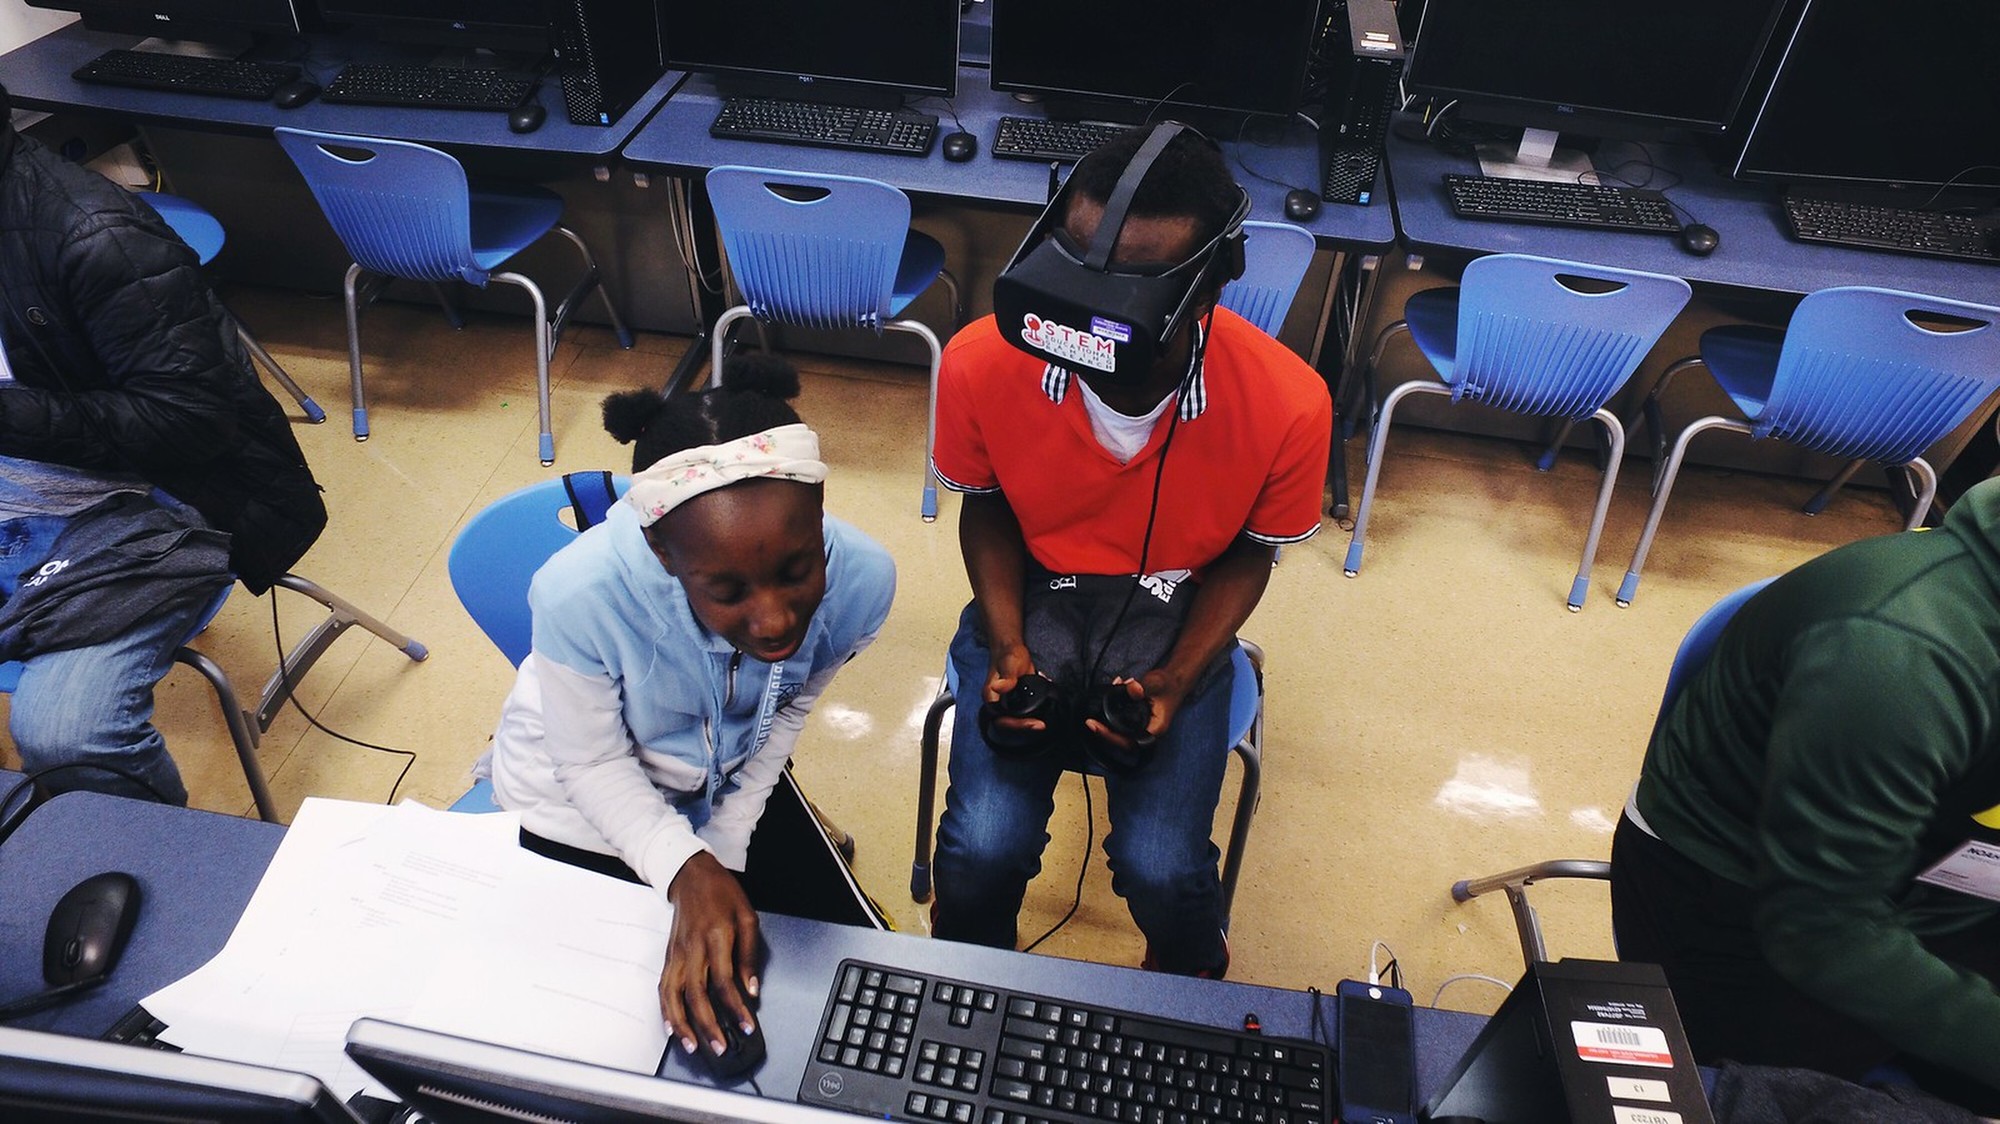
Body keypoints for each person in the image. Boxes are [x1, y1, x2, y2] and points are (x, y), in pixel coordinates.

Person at [926, 125, 1332, 977]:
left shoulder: (1291, 403)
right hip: (1030, 602)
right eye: (1076, 268)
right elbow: (987, 504)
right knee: (979, 853)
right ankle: (967, 1004)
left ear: (1215, 279)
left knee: (1165, 870)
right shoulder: (978, 361)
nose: (1090, 313)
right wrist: (1007, 647)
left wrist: (1179, 679)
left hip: (1174, 613)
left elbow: (1253, 551)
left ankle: (1185, 1013)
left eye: (1135, 285)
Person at [482, 355, 895, 1063]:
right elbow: (588, 759)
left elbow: (781, 716)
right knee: (622, 1038)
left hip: (721, 787)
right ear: (662, 552)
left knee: (853, 985)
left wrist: (724, 851)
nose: (772, 621)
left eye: (797, 571)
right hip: (574, 804)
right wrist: (684, 868)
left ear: (821, 514)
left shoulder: (862, 581)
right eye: (728, 590)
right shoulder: (577, 593)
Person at [1612, 477, 2000, 1113]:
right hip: (1742, 894)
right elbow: (1821, 932)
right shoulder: (1899, 652)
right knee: (1787, 1099)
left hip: (1938, 874)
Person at [0, 81, 327, 805]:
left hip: (145, 504)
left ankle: (148, 875)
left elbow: (188, 421)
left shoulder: (95, 236)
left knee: (67, 734)